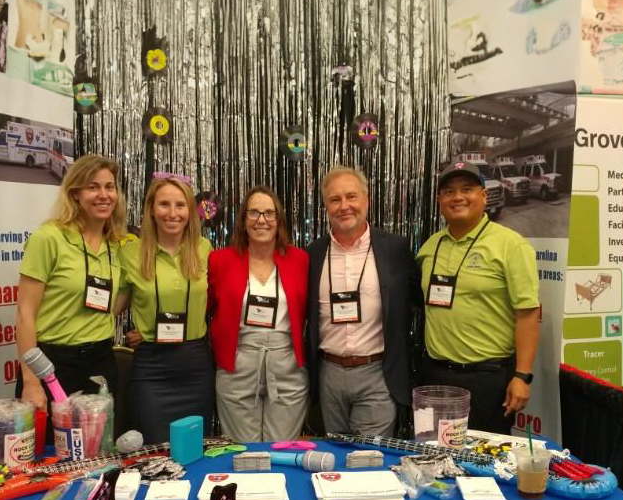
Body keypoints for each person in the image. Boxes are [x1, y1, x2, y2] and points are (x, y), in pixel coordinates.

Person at [416, 160, 540, 434]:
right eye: (449, 191)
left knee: (482, 466)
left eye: (467, 189)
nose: (458, 197)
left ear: (484, 195)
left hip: (488, 379)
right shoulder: (429, 247)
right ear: (439, 199)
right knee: (433, 458)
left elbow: (528, 315)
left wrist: (522, 376)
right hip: (436, 376)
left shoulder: (511, 245)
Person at [306, 167, 419, 436]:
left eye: (351, 197)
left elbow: (417, 303)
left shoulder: (395, 249)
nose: (344, 206)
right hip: (328, 376)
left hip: (377, 373)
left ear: (366, 200)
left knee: (369, 460)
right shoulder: (312, 254)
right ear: (326, 206)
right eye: (335, 199)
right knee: (335, 458)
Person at [16, 154, 126, 428]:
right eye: (93, 187)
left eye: (109, 187)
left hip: (101, 362)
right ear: (75, 193)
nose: (104, 195)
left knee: (100, 452)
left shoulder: (117, 244)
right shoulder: (49, 238)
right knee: (53, 459)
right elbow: (25, 313)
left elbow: (111, 305)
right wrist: (31, 381)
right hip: (53, 364)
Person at [116, 177, 214, 443]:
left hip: (196, 366)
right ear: (151, 209)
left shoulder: (204, 249)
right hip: (151, 369)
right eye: (164, 204)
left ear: (190, 211)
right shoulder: (130, 254)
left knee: (194, 450)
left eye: (180, 205)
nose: (173, 213)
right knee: (155, 451)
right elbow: (113, 307)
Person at [208, 187, 308, 441]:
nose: (261, 220)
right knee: (243, 452)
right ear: (243, 220)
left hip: (287, 365)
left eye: (268, 213)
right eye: (253, 213)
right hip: (238, 363)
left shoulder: (301, 260)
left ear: (279, 220)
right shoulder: (220, 260)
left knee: (281, 449)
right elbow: (202, 308)